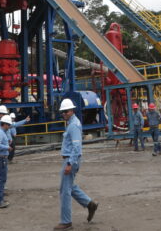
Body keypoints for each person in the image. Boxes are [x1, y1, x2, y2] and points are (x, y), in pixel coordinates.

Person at [55, 97, 98, 231]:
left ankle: (66, 222)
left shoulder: (73, 125)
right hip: (70, 159)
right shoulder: (72, 123)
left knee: (65, 191)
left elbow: (76, 147)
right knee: (70, 187)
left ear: (72, 110)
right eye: (62, 112)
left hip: (70, 160)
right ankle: (89, 204)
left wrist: (69, 163)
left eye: (66, 111)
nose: (64, 114)